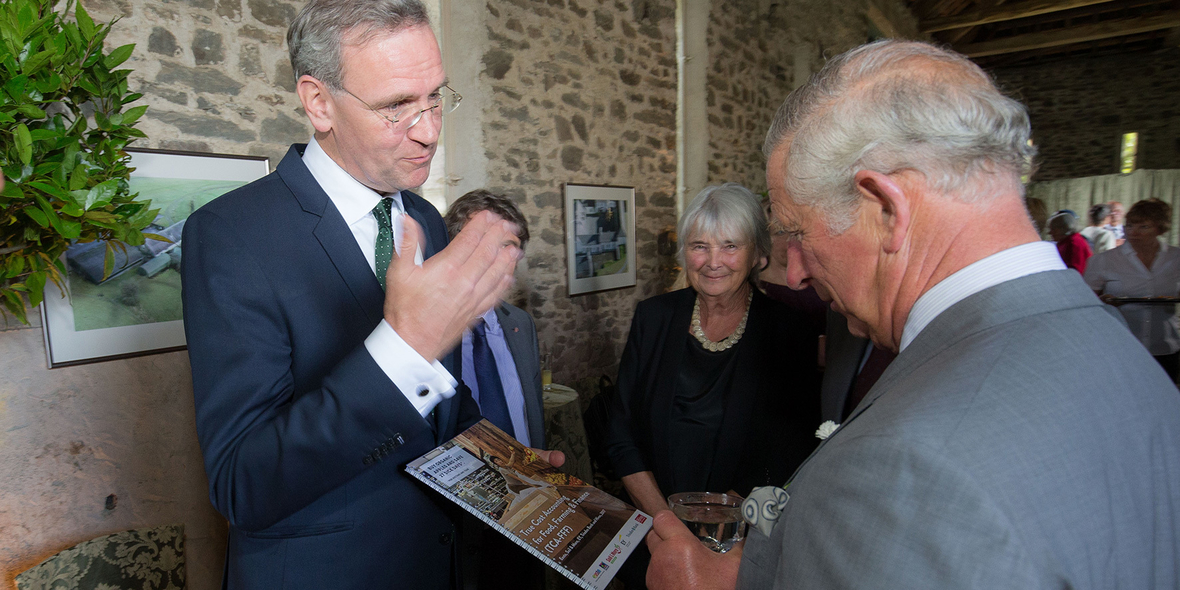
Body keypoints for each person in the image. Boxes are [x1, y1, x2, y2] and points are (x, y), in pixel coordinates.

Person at [645, 39, 1180, 590]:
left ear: (886, 210)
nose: (797, 272)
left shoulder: (911, 468)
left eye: (797, 233)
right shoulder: (1117, 350)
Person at [181, 1, 558, 587]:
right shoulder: (231, 235)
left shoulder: (428, 221)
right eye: (395, 107)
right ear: (318, 102)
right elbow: (242, 484)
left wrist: (510, 474)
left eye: (435, 96)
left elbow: (440, 406)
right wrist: (403, 349)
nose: (429, 129)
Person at [604, 182, 821, 588]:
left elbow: (792, 444)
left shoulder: (788, 330)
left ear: (758, 254)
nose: (712, 261)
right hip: (654, 532)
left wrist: (716, 527)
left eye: (730, 246)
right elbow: (621, 433)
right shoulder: (653, 317)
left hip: (741, 543)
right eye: (699, 246)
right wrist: (669, 526)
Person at [444, 190, 547, 590]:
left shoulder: (521, 325)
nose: (502, 259)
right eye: (487, 244)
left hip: (526, 511)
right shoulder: (425, 328)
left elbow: (530, 419)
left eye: (511, 247)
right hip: (454, 518)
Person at [1084, 198, 1180, 382]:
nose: (1133, 232)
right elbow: (1084, 300)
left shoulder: (1175, 258)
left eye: (1143, 227)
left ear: (1160, 229)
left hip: (1165, 346)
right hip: (1121, 346)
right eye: (1129, 226)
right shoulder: (1105, 260)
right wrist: (1104, 302)